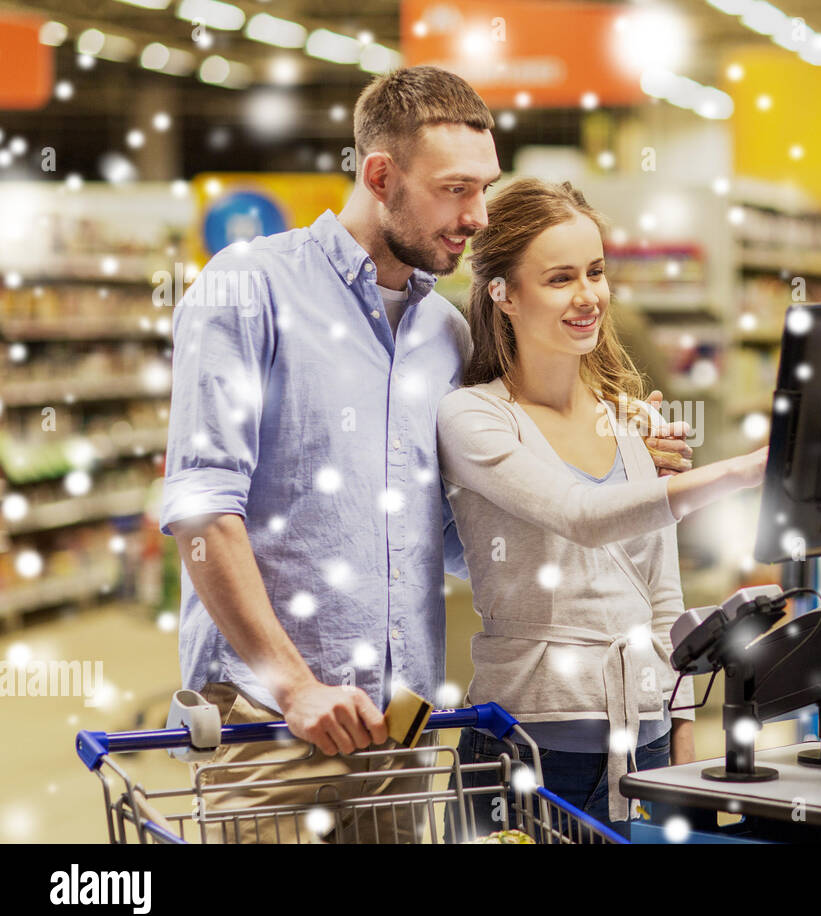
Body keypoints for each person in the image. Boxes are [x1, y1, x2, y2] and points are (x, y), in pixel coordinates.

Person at [160, 67, 690, 843]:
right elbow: (202, 508)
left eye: (486, 188)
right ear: (381, 175)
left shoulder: (447, 337)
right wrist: (295, 685)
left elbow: (466, 541)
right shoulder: (250, 290)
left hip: (403, 728)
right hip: (269, 728)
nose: (478, 216)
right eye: (456, 190)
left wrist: (602, 455)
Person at [437, 177, 768, 840]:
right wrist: (744, 469)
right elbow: (581, 513)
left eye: (595, 271)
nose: (588, 295)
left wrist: (679, 735)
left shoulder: (628, 419)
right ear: (502, 292)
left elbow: (662, 596)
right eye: (560, 278)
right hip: (527, 748)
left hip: (640, 749)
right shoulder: (474, 418)